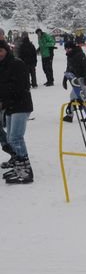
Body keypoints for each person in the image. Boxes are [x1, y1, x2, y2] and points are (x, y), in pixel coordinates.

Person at [0, 39, 35, 184]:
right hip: (9, 107)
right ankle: (19, 166)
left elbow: (22, 86)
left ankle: (26, 171)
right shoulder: (1, 66)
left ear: (6, 50)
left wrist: (5, 99)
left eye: (0, 51)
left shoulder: (17, 64)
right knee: (9, 138)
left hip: (21, 105)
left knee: (15, 137)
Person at [61, 40, 86, 123]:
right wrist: (65, 78)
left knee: (73, 96)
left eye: (67, 49)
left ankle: (70, 115)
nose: (66, 51)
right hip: (74, 79)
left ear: (71, 48)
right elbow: (69, 67)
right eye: (65, 49)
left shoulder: (80, 54)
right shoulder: (69, 55)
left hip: (80, 78)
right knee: (84, 97)